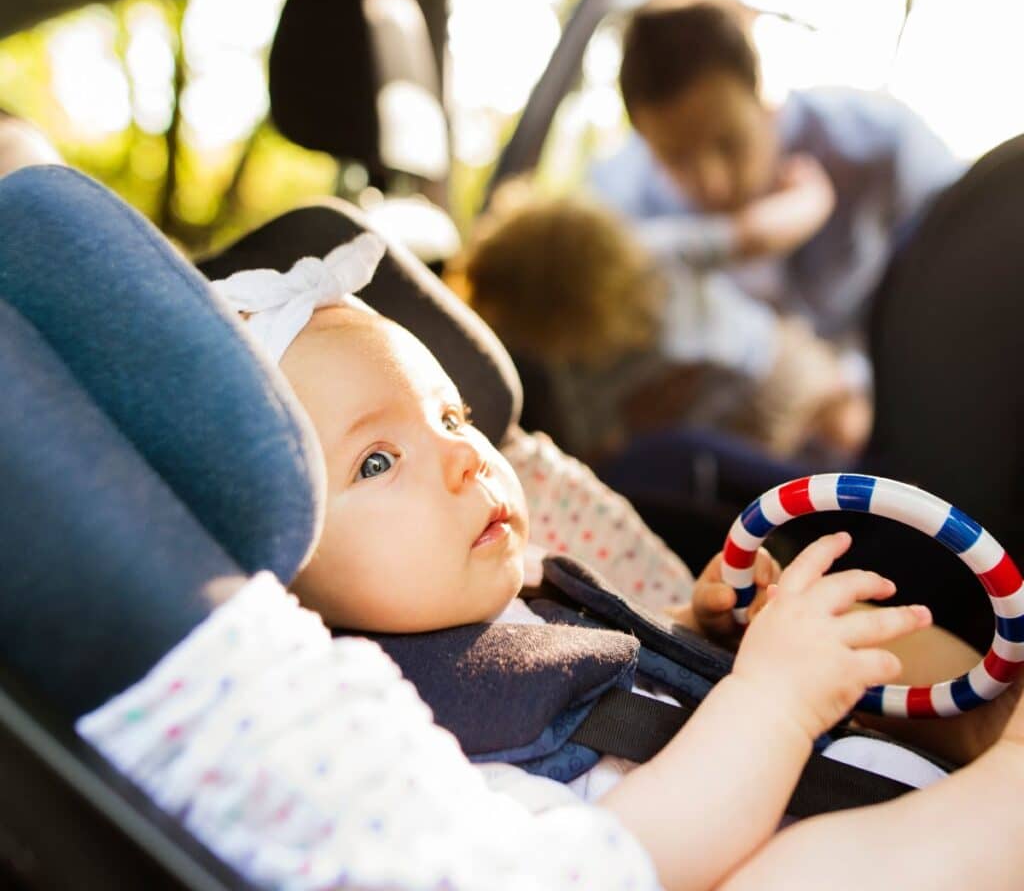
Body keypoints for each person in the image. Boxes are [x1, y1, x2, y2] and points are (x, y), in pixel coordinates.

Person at [202, 236, 1024, 891]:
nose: (463, 457)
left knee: (866, 631)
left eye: (451, 415)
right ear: (282, 573)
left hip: (877, 791)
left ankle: (996, 724)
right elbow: (612, 860)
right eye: (377, 462)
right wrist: (770, 702)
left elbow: (626, 678)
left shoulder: (537, 591)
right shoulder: (403, 736)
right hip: (813, 847)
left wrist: (703, 635)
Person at [588, 0, 967, 398]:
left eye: (728, 144)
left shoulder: (879, 147)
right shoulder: (625, 206)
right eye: (676, 158)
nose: (712, 182)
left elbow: (963, 286)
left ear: (761, 92)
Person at [456, 181, 869, 463]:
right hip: (765, 371)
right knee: (845, 426)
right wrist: (812, 195)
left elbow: (597, 449)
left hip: (737, 420)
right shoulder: (651, 253)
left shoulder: (577, 368)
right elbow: (754, 234)